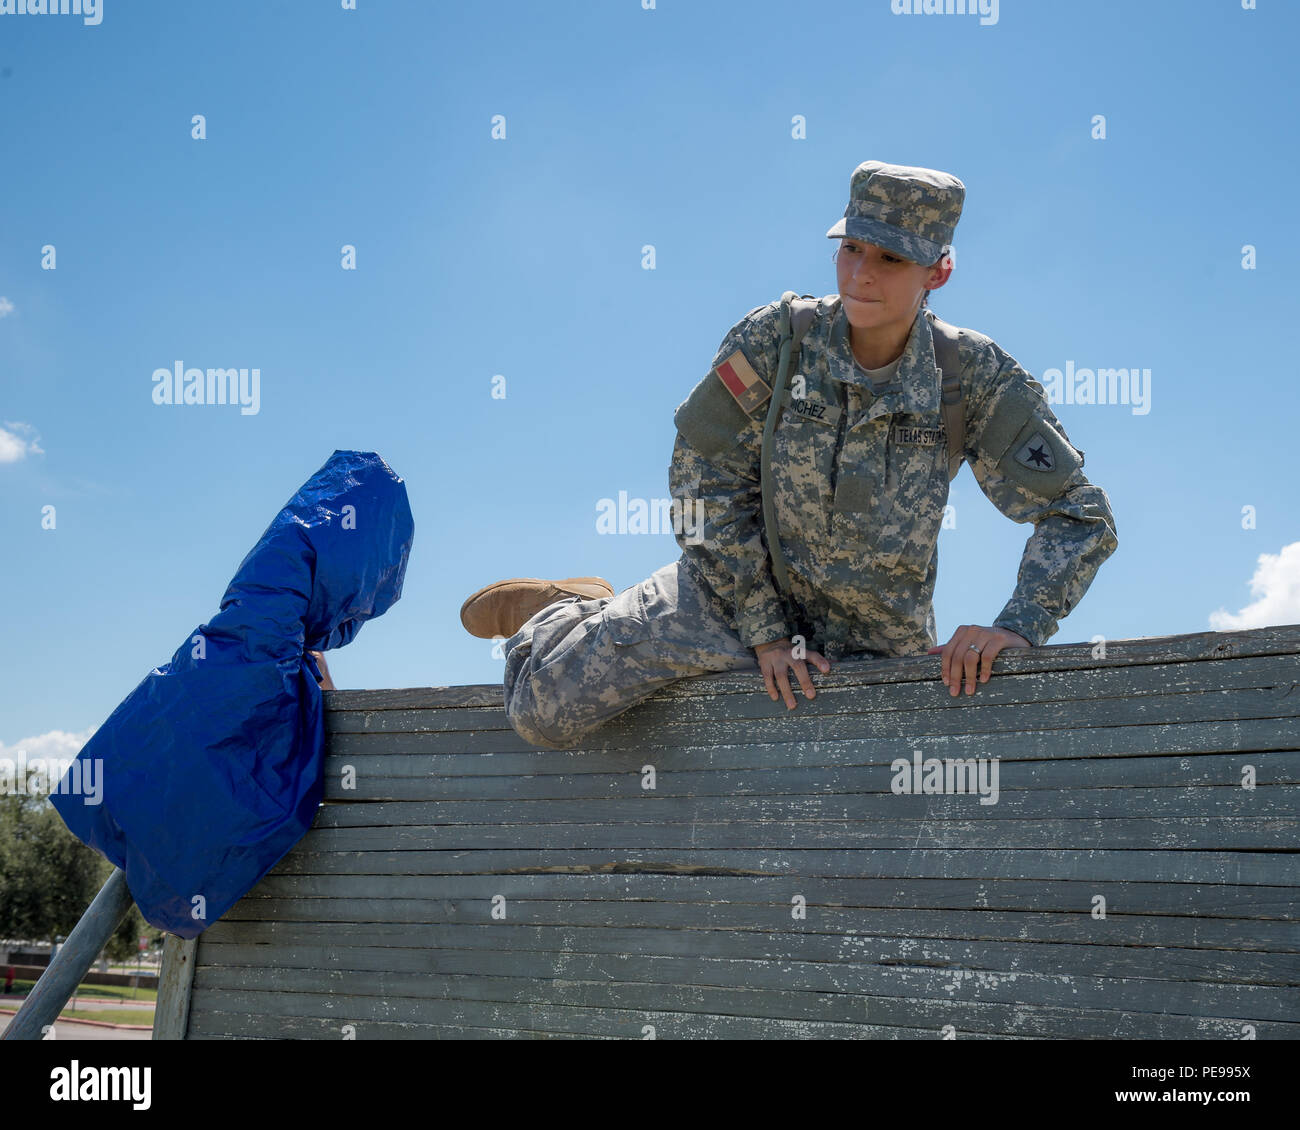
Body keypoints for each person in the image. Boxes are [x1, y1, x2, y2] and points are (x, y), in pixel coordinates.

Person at [460, 160, 1118, 751]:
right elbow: (700, 477)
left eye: (889, 258)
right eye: (851, 248)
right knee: (539, 713)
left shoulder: (970, 376)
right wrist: (765, 630)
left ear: (938, 271)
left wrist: (1019, 625)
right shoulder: (779, 340)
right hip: (733, 599)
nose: (860, 272)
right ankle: (567, 614)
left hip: (874, 641)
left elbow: (1079, 513)